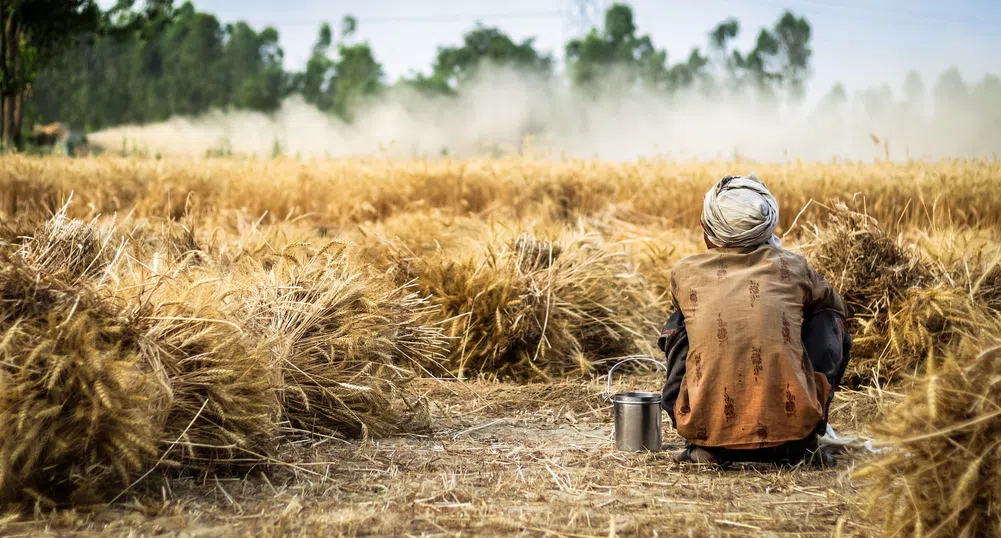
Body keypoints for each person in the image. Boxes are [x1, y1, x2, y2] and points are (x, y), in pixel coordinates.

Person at [658, 173, 851, 467]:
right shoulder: (795, 266)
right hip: (791, 440)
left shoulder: (685, 272)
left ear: (706, 229)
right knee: (827, 317)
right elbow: (837, 309)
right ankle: (806, 436)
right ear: (767, 227)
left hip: (707, 434)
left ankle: (702, 440)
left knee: (682, 320)